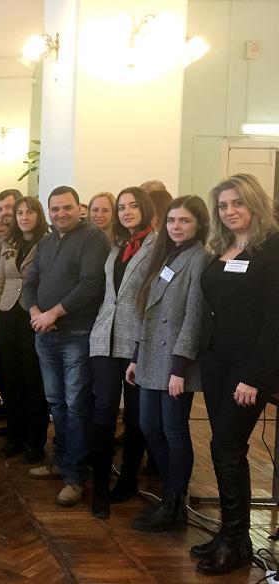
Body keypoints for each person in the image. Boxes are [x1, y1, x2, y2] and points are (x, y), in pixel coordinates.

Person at [193, 174, 279, 575]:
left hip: (248, 367)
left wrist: (255, 375)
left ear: (254, 203)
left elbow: (275, 320)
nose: (229, 211)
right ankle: (233, 534)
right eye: (223, 206)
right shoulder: (225, 247)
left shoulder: (271, 248)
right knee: (223, 448)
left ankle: (236, 542)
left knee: (228, 447)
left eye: (237, 203)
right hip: (216, 362)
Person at [124, 196, 210, 532]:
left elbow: (194, 317)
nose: (176, 226)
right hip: (150, 356)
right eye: (172, 220)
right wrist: (135, 356)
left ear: (199, 224)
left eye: (184, 221)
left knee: (174, 431)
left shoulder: (199, 258)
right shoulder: (167, 255)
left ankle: (174, 504)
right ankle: (170, 495)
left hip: (175, 361)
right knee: (149, 426)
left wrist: (180, 368)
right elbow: (147, 311)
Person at [22, 186, 109, 507]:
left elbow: (90, 285)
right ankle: (60, 462)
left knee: (75, 406)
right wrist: (36, 313)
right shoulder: (46, 242)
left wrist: (53, 313)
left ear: (78, 208)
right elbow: (29, 283)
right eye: (55, 208)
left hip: (76, 334)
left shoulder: (93, 237)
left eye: (66, 207)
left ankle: (76, 476)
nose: (60, 213)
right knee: (56, 403)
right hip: (44, 334)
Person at [87, 187, 156, 519]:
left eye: (133, 206)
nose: (126, 211)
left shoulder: (158, 246)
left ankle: (128, 479)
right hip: (104, 337)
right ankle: (100, 487)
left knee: (135, 416)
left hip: (137, 339)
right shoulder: (117, 246)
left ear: (145, 208)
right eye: (122, 207)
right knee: (103, 410)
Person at [0, 196, 49, 461]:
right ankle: (15, 436)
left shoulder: (48, 242)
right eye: (20, 213)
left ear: (38, 215)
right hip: (7, 314)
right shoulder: (9, 243)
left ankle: (35, 442)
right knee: (11, 378)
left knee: (33, 380)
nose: (24, 217)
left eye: (29, 212)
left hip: (33, 314)